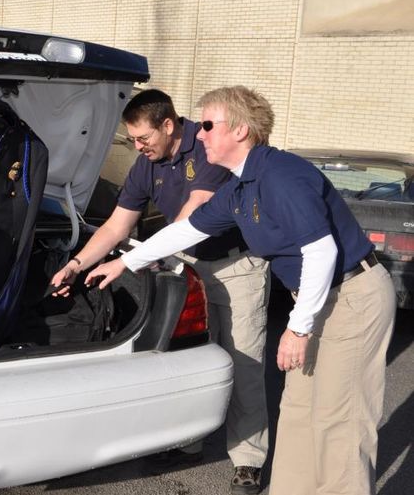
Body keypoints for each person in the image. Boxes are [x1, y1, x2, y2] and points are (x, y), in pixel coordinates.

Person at [84, 86, 396, 495]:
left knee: (339, 419)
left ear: (241, 131)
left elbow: (321, 251)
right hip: (316, 299)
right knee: (299, 412)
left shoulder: (281, 174)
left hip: (352, 297)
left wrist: (298, 329)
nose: (199, 134)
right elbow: (186, 229)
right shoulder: (239, 186)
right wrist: (124, 262)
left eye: (209, 125)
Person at [50, 88, 270, 494]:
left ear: (168, 125)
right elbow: (117, 225)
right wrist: (78, 264)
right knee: (190, 360)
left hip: (235, 266)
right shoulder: (144, 165)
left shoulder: (206, 146)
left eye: (143, 138)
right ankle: (188, 443)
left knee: (244, 365)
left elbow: (192, 215)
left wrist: (132, 260)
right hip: (186, 267)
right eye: (132, 139)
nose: (137, 146)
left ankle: (247, 460)